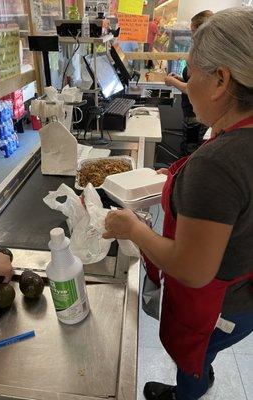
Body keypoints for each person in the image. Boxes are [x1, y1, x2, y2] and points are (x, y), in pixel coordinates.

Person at [104, 7, 253, 400]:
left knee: (196, 355)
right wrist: (175, 181)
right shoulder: (236, 139)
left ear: (221, 79)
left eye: (191, 72)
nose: (187, 84)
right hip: (244, 297)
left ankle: (188, 392)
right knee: (206, 353)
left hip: (221, 305)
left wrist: (133, 228)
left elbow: (192, 268)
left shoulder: (218, 164)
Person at [165, 10, 213, 155]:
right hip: (190, 112)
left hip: (197, 117)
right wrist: (180, 78)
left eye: (193, 31)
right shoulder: (200, 51)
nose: (191, 35)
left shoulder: (206, 55)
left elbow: (195, 88)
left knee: (190, 153)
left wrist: (172, 82)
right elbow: (193, 81)